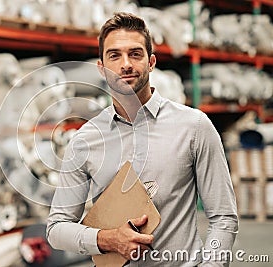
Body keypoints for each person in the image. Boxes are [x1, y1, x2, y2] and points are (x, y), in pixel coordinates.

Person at [46, 12, 238, 266]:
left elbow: (224, 217)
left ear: (151, 62)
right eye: (114, 55)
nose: (125, 64)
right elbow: (57, 229)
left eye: (135, 54)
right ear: (101, 69)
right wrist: (107, 239)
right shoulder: (85, 140)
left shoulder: (194, 126)